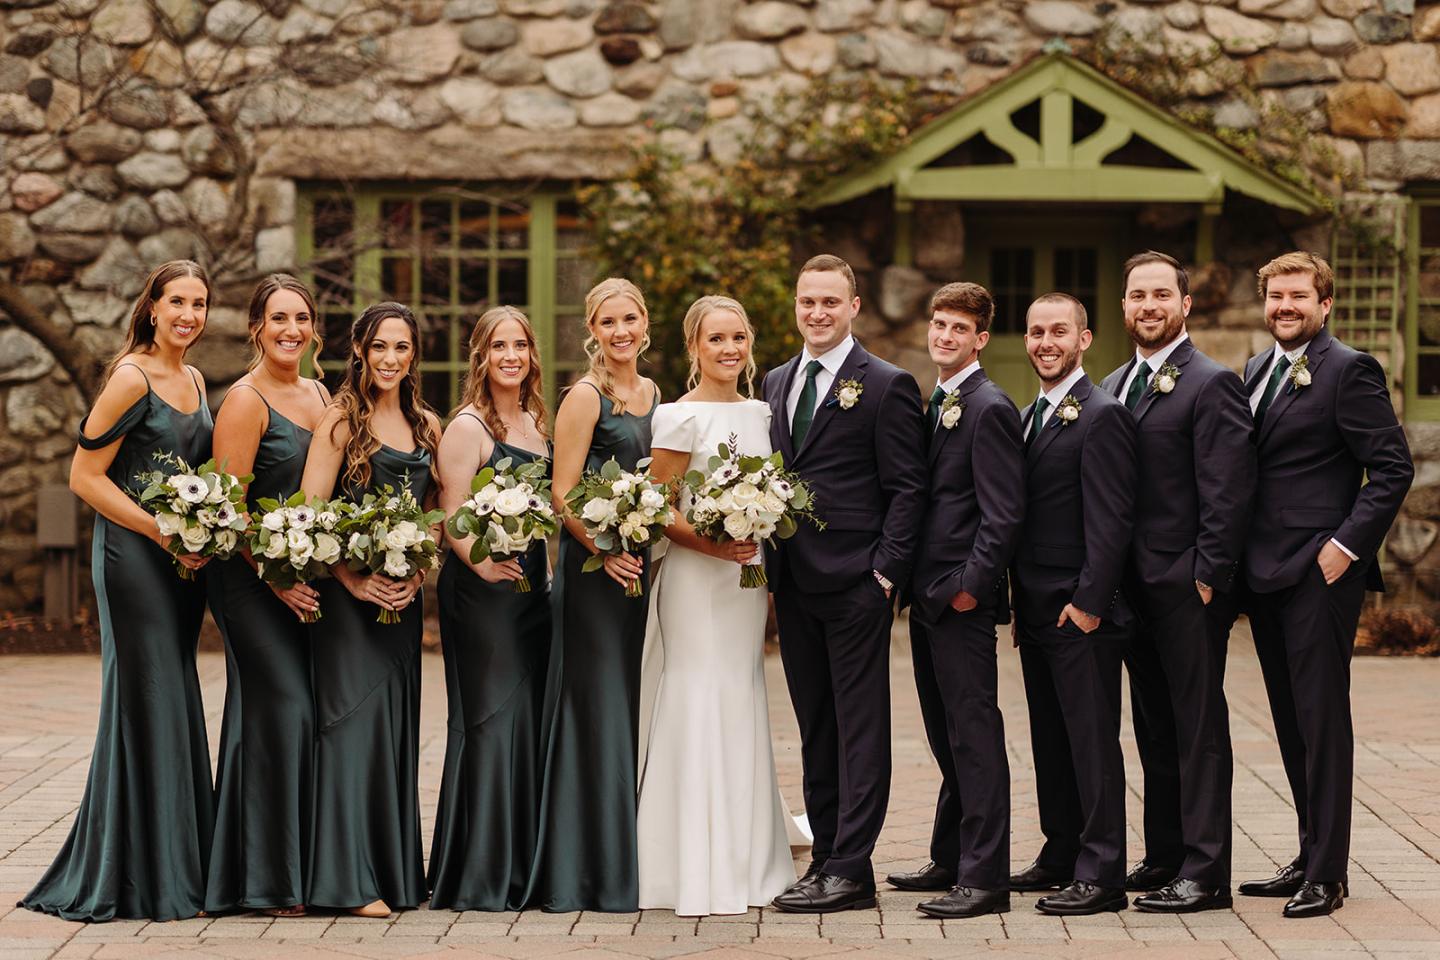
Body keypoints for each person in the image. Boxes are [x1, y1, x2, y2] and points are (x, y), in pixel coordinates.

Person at [20, 260, 215, 921]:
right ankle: (145, 876)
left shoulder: (193, 377)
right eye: (178, 302)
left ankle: (174, 861)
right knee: (148, 695)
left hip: (180, 563)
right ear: (152, 308)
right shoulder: (131, 378)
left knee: (172, 693)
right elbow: (85, 476)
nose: (189, 314)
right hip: (134, 557)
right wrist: (161, 530)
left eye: (199, 303)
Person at [1238, 252, 1413, 918]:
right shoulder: (1256, 370)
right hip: (1265, 574)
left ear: (1325, 304)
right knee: (1289, 722)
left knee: (1321, 721)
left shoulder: (1349, 370)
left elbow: (1393, 468)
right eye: (1275, 295)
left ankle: (1328, 876)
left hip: (1319, 573)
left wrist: (1344, 548)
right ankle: (1309, 854)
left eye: (1297, 296)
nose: (1284, 306)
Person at [762, 254, 927, 914]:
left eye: (831, 301)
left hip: (858, 582)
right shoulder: (775, 381)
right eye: (808, 302)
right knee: (815, 727)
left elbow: (908, 488)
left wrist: (884, 574)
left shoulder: (885, 385)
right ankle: (826, 856)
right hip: (794, 583)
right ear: (796, 306)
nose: (818, 313)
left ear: (854, 306)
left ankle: (854, 868)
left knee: (861, 729)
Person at [1098, 252, 1254, 914]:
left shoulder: (1211, 383)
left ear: (1185, 305)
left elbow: (1230, 487)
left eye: (1162, 293)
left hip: (1187, 586)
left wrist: (1208, 577)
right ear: (1124, 307)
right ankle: (1164, 854)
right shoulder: (1110, 383)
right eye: (1138, 295)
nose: (1149, 305)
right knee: (1153, 726)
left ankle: (1206, 870)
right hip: (1129, 589)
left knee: (1197, 729)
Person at [636, 295, 798, 916]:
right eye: (716, 339)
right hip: (696, 580)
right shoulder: (678, 417)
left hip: (745, 583)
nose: (729, 349)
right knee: (697, 691)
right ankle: (685, 865)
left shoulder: (763, 411)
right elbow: (659, 505)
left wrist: (753, 528)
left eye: (738, 338)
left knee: (741, 689)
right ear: (694, 348)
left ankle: (747, 859)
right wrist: (713, 541)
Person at [300, 302, 441, 918]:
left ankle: (392, 873)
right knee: (349, 728)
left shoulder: (427, 424)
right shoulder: (339, 421)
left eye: (402, 349)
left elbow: (437, 514)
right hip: (349, 605)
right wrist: (352, 581)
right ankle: (345, 882)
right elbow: (308, 514)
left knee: (391, 730)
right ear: (359, 350)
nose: (390, 359)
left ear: (414, 356)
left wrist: (419, 567)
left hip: (401, 605)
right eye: (379, 347)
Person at [889, 283, 1022, 920]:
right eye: (938, 323)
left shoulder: (989, 406)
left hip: (959, 600)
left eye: (958, 328)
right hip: (927, 598)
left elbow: (1003, 513)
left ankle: (985, 876)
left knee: (974, 735)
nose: (944, 335)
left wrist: (972, 587)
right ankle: (949, 855)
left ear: (980, 339)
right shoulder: (937, 400)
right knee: (945, 736)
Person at [530, 278, 659, 912]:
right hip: (592, 576)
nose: (620, 332)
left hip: (638, 575)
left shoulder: (656, 394)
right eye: (608, 322)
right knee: (597, 708)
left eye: (629, 319)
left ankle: (625, 848)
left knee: (629, 706)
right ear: (593, 330)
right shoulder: (586, 396)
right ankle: (586, 868)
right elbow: (562, 493)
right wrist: (605, 549)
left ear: (645, 324)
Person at [1008, 293, 1137, 917]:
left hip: (1079, 612)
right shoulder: (1032, 414)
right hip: (1035, 608)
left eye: (1059, 331)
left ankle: (1102, 869)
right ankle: (1060, 853)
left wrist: (1089, 603)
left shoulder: (1101, 414)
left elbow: (1113, 519)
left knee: (1091, 743)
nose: (1045, 343)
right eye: (1036, 332)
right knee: (1051, 740)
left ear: (1084, 340)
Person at [206, 275, 331, 917]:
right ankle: (272, 882)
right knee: (285, 709)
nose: (291, 329)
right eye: (278, 318)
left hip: (306, 579)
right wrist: (277, 579)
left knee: (282, 714)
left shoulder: (318, 392)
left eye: (302, 318)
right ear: (257, 327)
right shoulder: (244, 401)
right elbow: (228, 508)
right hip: (250, 582)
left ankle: (253, 872)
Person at [429, 306, 552, 912]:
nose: (511, 355)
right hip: (481, 592)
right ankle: (479, 873)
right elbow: (451, 512)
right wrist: (481, 564)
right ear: (481, 355)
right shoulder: (467, 427)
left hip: (530, 590)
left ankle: (520, 861)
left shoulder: (535, 419)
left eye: (521, 346)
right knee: (489, 720)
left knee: (525, 717)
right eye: (499, 345)